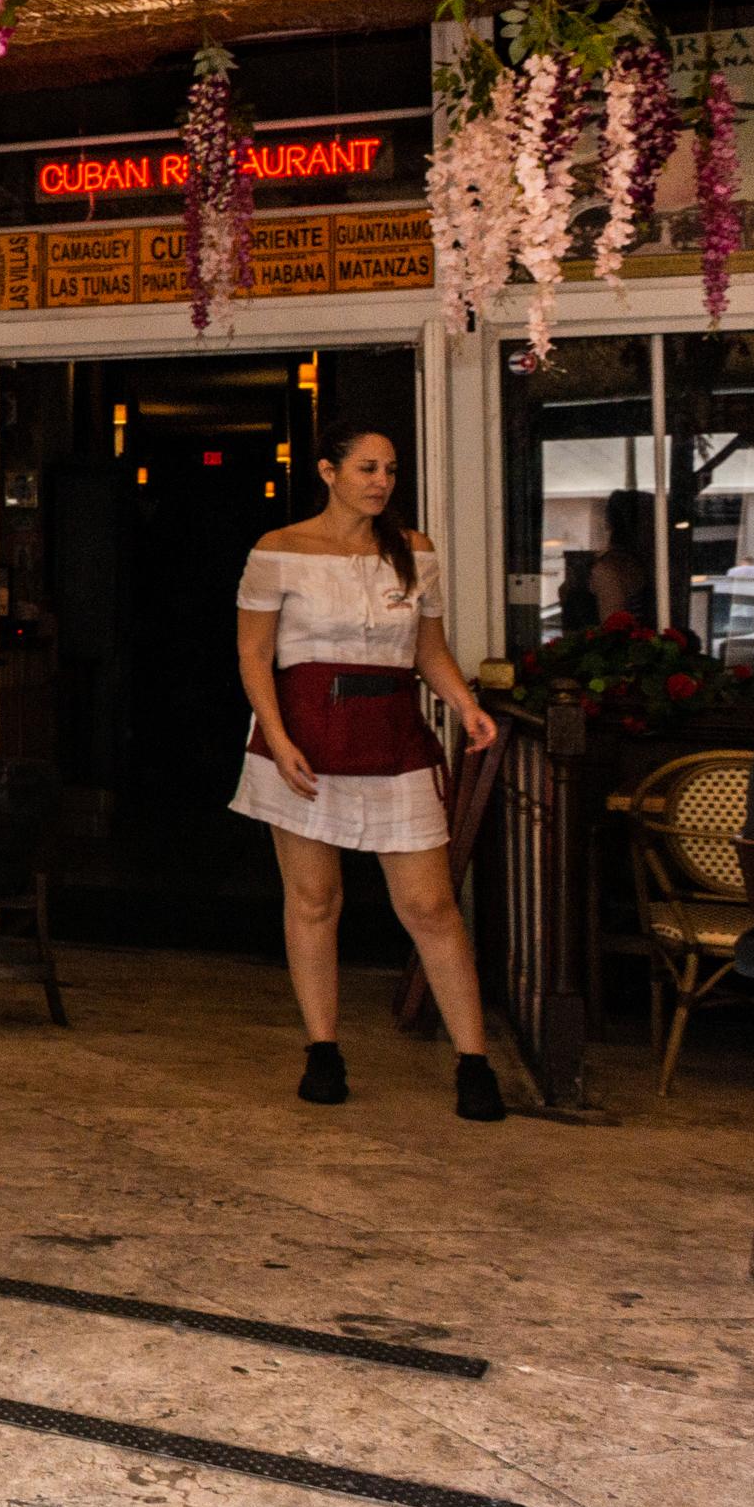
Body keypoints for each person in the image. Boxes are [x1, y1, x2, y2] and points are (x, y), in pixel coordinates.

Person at [232, 425, 506, 1119]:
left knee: (429, 904)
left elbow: (430, 650)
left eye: (389, 469)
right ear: (328, 471)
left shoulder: (414, 552)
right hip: (306, 734)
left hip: (391, 733)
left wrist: (465, 706)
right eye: (366, 468)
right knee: (315, 898)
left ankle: (474, 1062)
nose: (381, 481)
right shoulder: (280, 549)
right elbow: (254, 656)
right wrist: (276, 733)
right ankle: (322, 1050)